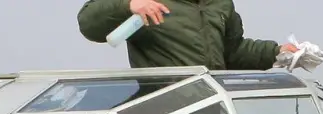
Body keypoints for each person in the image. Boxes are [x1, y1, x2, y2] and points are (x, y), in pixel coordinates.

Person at [78, 0, 296, 71]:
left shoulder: (220, 4)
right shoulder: (145, 1)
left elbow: (232, 52)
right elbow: (89, 23)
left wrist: (277, 53)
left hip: (214, 110)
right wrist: (128, 6)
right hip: (164, 113)